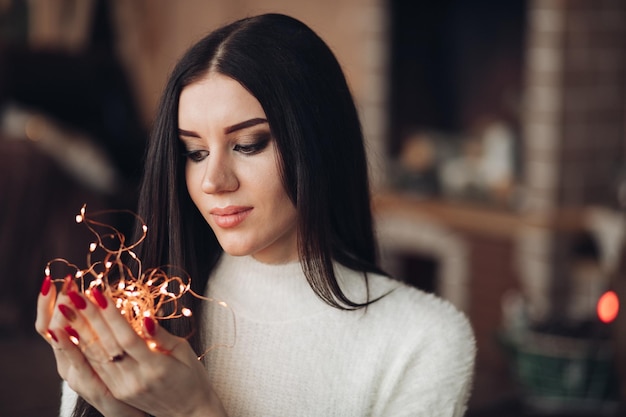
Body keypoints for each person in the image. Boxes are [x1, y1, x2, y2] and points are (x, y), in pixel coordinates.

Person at [36, 13, 476, 417]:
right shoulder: (131, 317)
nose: (213, 180)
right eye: (194, 152)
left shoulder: (423, 340)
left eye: (248, 144)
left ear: (317, 142)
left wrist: (197, 411)